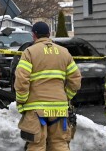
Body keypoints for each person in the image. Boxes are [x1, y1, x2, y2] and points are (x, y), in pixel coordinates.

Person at [14, 22, 81, 151]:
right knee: (60, 144)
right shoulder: (64, 52)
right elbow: (76, 79)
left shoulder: (29, 52)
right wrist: (66, 96)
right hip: (59, 109)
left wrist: (22, 101)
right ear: (49, 34)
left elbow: (21, 81)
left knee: (36, 146)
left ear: (34, 35)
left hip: (35, 109)